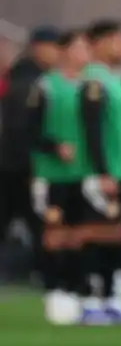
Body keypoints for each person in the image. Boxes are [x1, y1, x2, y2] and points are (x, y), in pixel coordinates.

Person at [28, 30, 92, 325]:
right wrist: (54, 146)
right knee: (54, 230)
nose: (83, 53)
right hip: (51, 172)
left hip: (82, 171)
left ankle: (75, 288)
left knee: (78, 232)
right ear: (64, 51)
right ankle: (53, 288)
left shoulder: (90, 86)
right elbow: (28, 130)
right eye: (77, 47)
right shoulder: (46, 86)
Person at [77, 20, 121, 324]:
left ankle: (112, 297)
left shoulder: (114, 80)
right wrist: (102, 172)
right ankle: (91, 298)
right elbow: (92, 129)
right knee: (98, 233)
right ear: (98, 43)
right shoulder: (94, 82)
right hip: (105, 173)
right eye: (115, 40)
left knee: (116, 234)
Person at [0, 27, 59, 284]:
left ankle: (47, 274)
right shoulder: (30, 82)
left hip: (18, 164)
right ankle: (48, 276)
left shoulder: (33, 78)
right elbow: (22, 128)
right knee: (36, 222)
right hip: (19, 166)